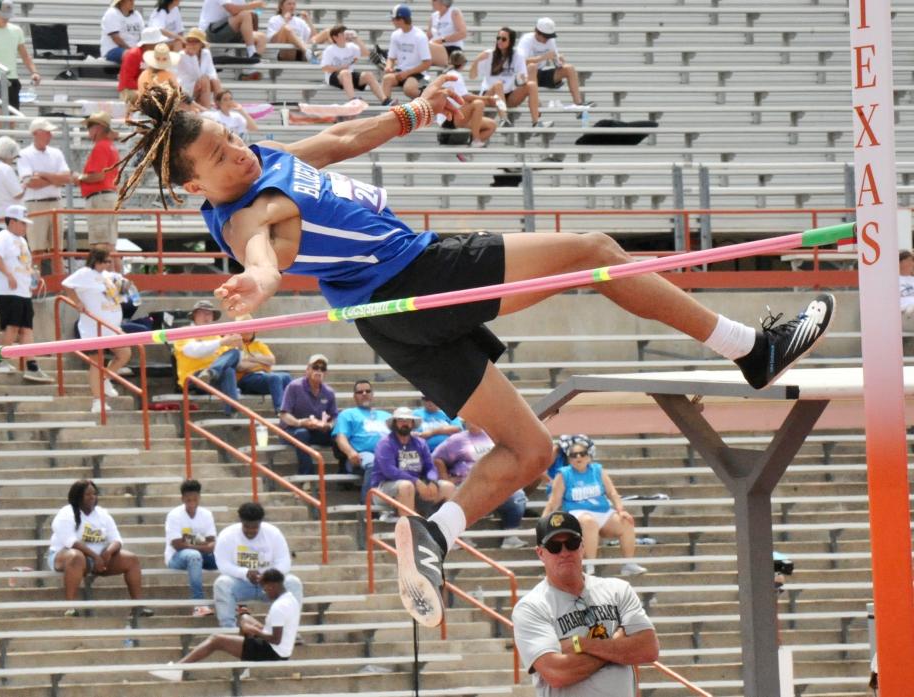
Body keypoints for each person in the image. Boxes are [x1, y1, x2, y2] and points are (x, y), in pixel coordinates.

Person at [110, 80, 836, 629]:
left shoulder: (261, 163)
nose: (236, 151)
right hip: (419, 280)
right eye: (217, 157)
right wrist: (259, 283)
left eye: (232, 139)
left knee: (529, 450)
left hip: (392, 320)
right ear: (193, 186)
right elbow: (267, 252)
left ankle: (434, 535)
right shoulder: (246, 215)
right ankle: (751, 347)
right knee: (595, 253)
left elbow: (336, 144)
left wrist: (419, 110)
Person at [512, 511, 659, 696]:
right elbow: (557, 673)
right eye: (554, 546)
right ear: (541, 553)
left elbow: (648, 648)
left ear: (582, 546)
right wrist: (618, 645)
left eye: (571, 544)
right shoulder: (531, 607)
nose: (564, 552)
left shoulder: (618, 590)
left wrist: (580, 644)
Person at [150, 568, 299, 682]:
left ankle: (179, 669)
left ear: (272, 586)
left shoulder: (279, 606)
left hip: (273, 653)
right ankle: (244, 668)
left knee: (216, 639)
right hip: (279, 648)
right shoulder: (290, 599)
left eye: (265, 589)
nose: (265, 593)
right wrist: (252, 626)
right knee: (245, 618)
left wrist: (255, 630)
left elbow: (275, 639)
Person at [47, 479, 153, 617]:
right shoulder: (66, 513)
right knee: (76, 556)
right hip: (63, 557)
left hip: (99, 560)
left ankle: (137, 607)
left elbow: (117, 539)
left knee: (131, 559)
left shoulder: (102, 514)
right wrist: (95, 557)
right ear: (78, 496)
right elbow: (70, 542)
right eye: (88, 494)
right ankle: (70, 607)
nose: (92, 497)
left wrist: (107, 553)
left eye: (94, 494)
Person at [542, 442, 647, 577]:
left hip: (602, 511)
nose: (578, 457)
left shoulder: (597, 470)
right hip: (577, 513)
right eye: (573, 455)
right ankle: (590, 566)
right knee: (589, 522)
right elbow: (553, 502)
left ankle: (629, 564)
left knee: (626, 521)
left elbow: (612, 493)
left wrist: (621, 510)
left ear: (589, 457)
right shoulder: (564, 474)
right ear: (569, 459)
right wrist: (543, 523)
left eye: (582, 454)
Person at [432, 422, 527, 549]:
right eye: (469, 420)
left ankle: (511, 536)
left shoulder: (494, 437)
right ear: (464, 421)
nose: (473, 422)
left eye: (476, 419)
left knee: (518, 495)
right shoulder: (456, 440)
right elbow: (437, 458)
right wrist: (446, 478)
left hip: (496, 483)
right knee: (458, 497)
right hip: (468, 484)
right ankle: (461, 537)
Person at [61, 248, 133, 413]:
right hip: (94, 327)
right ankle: (97, 401)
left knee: (125, 354)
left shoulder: (109, 275)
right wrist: (77, 302)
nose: (110, 264)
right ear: (97, 261)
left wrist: (126, 285)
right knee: (96, 361)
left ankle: (106, 378)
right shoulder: (84, 273)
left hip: (112, 325)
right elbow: (66, 284)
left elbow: (124, 284)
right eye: (107, 261)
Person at [212, 502, 304, 628]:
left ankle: (290, 630)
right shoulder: (227, 535)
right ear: (241, 521)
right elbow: (222, 564)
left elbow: (284, 562)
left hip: (269, 584)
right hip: (241, 583)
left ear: (261, 522)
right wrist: (245, 573)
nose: (250, 531)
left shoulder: (273, 533)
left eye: (254, 527)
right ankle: (229, 630)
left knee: (293, 582)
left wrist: (268, 576)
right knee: (222, 584)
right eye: (247, 526)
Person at [0, 204, 50, 382]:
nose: (25, 227)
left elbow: (24, 264)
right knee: (13, 326)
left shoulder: (22, 241)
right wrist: (8, 275)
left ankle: (32, 366)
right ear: (12, 222)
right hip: (6, 290)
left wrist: (32, 277)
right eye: (22, 223)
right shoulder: (3, 237)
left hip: (22, 291)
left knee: (26, 328)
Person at [370, 407, 455, 520]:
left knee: (448, 487)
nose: (404, 423)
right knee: (406, 486)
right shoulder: (385, 444)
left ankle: (446, 530)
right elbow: (390, 471)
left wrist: (431, 481)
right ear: (394, 423)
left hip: (416, 487)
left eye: (408, 420)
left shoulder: (420, 443)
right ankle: (411, 531)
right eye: (401, 420)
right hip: (384, 488)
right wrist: (415, 481)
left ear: (412, 423)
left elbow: (430, 467)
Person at [17, 118, 74, 274]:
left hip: (53, 202)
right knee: (37, 250)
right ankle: (38, 286)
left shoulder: (56, 153)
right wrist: (55, 179)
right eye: (47, 132)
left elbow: (66, 177)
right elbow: (30, 182)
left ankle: (58, 285)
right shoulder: (24, 154)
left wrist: (42, 175)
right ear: (36, 133)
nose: (50, 135)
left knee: (58, 249)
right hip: (36, 204)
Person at [171, 299, 242, 413]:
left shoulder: (216, 336)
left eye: (209, 313)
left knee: (233, 357)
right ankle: (232, 411)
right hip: (193, 378)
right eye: (203, 313)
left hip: (213, 379)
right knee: (228, 369)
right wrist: (221, 343)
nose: (207, 316)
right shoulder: (184, 332)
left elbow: (230, 359)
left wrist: (239, 346)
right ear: (194, 315)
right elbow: (192, 351)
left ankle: (211, 373)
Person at [471, 27, 547, 129]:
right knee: (498, 84)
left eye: (503, 39)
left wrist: (522, 78)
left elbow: (522, 79)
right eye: (498, 38)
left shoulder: (517, 55)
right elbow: (472, 76)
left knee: (531, 85)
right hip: (489, 96)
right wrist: (476, 60)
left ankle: (536, 122)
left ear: (510, 41)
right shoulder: (489, 54)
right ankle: (504, 119)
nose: (499, 41)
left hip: (508, 96)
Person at [163, 479, 217, 615]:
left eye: (195, 499)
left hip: (202, 555)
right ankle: (198, 605)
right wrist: (202, 543)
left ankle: (238, 604)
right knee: (194, 556)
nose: (192, 502)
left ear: (199, 497)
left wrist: (188, 541)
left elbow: (212, 542)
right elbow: (177, 544)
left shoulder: (206, 514)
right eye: (188, 500)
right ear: (182, 499)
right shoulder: (174, 515)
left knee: (228, 559)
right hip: (176, 557)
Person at [332, 380, 391, 502]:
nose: (364, 393)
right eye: (360, 392)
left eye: (368, 391)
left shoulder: (386, 415)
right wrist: (350, 452)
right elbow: (340, 437)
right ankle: (367, 507)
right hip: (362, 455)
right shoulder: (347, 414)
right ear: (354, 396)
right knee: (374, 463)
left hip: (388, 455)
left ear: (372, 394)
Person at [279, 354, 337, 476]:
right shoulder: (294, 387)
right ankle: (307, 477)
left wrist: (328, 425)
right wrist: (300, 422)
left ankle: (345, 472)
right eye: (315, 367)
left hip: (316, 430)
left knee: (340, 435)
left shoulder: (329, 392)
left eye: (323, 369)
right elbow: (284, 414)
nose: (319, 371)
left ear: (326, 373)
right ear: (308, 369)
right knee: (302, 433)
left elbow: (334, 417)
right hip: (292, 430)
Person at [75, 112, 120, 261]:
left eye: (90, 126)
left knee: (101, 245)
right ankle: (115, 279)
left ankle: (107, 280)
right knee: (108, 244)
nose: (88, 130)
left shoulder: (100, 147)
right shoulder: (110, 146)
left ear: (99, 128)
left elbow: (98, 176)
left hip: (100, 198)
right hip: (107, 197)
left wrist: (79, 178)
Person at [517, 18, 587, 108]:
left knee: (569, 68)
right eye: (545, 36)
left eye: (549, 36)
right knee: (532, 66)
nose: (547, 39)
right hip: (525, 74)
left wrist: (560, 61)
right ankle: (537, 107)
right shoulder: (527, 39)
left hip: (540, 74)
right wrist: (543, 57)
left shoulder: (550, 40)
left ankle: (578, 103)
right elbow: (520, 62)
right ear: (537, 32)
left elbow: (557, 63)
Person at [438, 51, 495, 150]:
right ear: (463, 64)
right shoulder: (455, 75)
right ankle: (476, 140)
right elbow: (465, 97)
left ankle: (468, 150)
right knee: (479, 103)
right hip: (449, 119)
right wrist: (486, 98)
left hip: (455, 116)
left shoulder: (448, 74)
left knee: (491, 125)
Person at [320, 25, 387, 104]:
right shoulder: (330, 50)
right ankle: (353, 100)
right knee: (345, 72)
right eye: (342, 33)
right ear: (335, 37)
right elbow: (325, 68)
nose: (345, 35)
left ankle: (385, 100)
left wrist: (356, 38)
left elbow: (366, 53)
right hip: (333, 76)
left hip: (348, 75)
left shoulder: (352, 47)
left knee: (368, 75)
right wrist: (341, 67)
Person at [381, 5, 432, 102]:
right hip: (401, 72)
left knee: (409, 89)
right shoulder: (395, 35)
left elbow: (427, 63)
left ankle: (429, 100)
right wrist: (388, 67)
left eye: (393, 19)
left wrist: (407, 73)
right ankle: (387, 108)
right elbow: (391, 58)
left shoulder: (419, 36)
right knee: (387, 79)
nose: (392, 21)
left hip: (417, 73)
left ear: (401, 20)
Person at [235, 327, 293, 409]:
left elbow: (272, 360)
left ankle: (294, 410)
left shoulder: (259, 345)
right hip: (245, 379)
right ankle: (281, 411)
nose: (248, 331)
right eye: (245, 329)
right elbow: (240, 367)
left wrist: (251, 359)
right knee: (275, 378)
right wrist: (262, 363)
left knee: (286, 376)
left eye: (250, 329)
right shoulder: (235, 346)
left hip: (263, 376)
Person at [198, 0, 266, 63]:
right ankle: (252, 54)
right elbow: (233, 10)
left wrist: (254, 10)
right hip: (209, 32)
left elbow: (246, 14)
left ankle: (250, 71)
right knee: (245, 14)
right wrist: (253, 5)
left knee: (261, 37)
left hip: (227, 31)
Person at [118, 26, 169, 106]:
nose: (160, 45)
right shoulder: (133, 55)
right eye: (157, 42)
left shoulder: (155, 55)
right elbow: (127, 81)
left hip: (147, 88)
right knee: (149, 99)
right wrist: (147, 89)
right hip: (130, 90)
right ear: (149, 44)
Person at [177, 28, 221, 108]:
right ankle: (206, 109)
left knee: (215, 81)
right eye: (189, 41)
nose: (191, 43)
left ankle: (221, 107)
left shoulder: (206, 53)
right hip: (186, 87)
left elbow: (211, 71)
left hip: (200, 84)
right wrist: (193, 57)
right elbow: (195, 75)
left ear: (201, 44)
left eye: (195, 41)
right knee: (205, 80)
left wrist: (214, 81)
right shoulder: (182, 55)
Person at [101, 0, 145, 64]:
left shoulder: (137, 15)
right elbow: (116, 38)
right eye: (130, 0)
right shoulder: (112, 13)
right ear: (121, 1)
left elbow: (143, 35)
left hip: (134, 50)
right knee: (132, 56)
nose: (132, 2)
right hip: (113, 50)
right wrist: (132, 51)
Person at [426, 0, 466, 67]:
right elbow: (428, 36)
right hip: (436, 49)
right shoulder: (434, 16)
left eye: (434, 0)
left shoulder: (454, 12)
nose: (431, 2)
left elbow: (462, 33)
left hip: (451, 49)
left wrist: (441, 40)